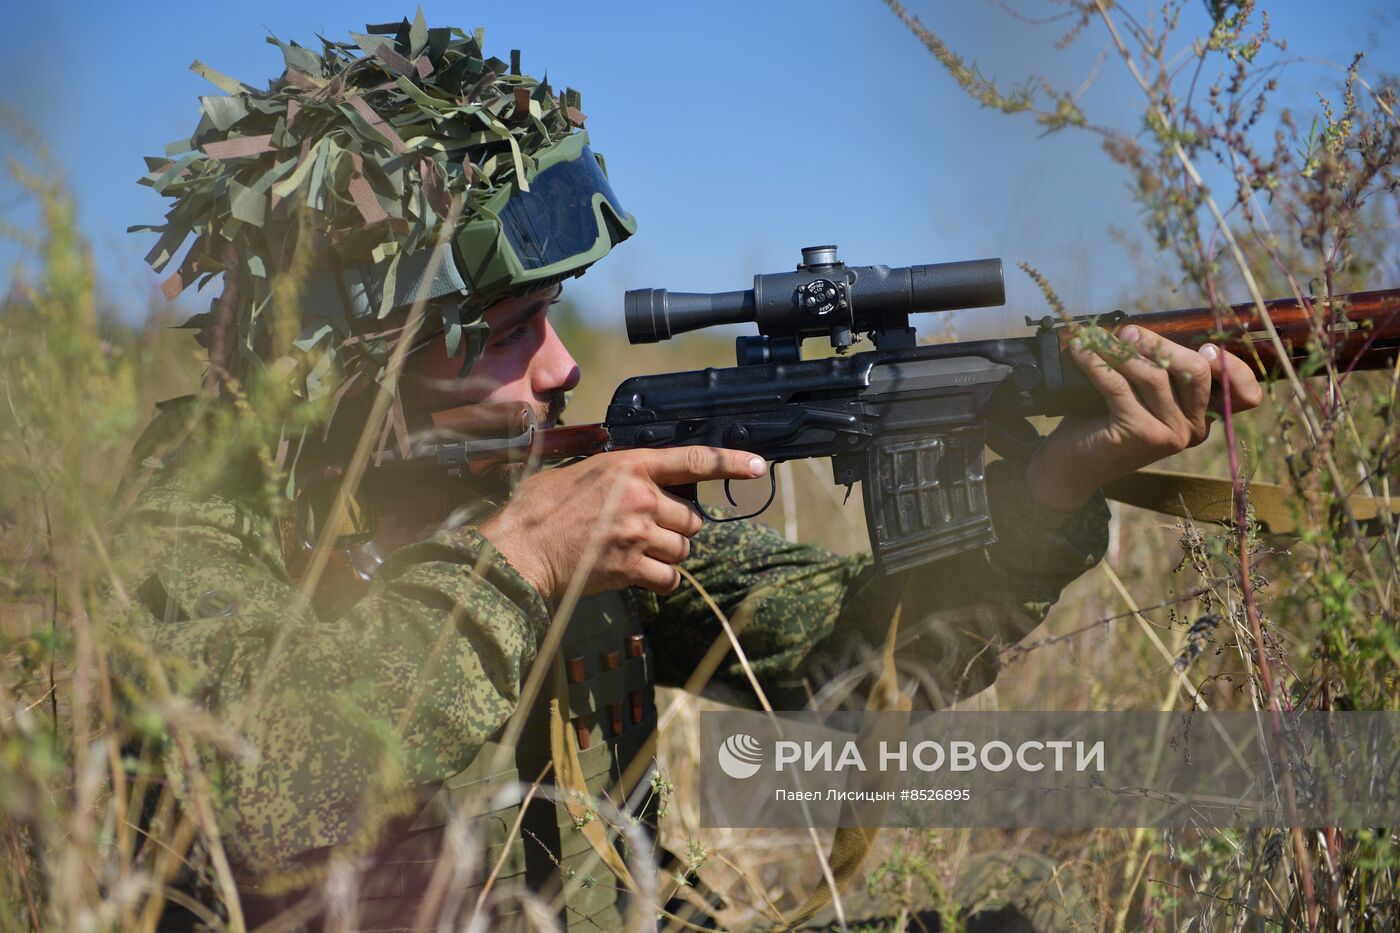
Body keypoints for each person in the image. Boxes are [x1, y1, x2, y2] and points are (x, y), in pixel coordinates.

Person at [110, 16, 1263, 931]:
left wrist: (1049, 491)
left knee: (1039, 913)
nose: (561, 363)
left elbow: (861, 671)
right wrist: (516, 563)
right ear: (366, 352)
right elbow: (260, 811)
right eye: (510, 328)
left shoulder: (521, 483)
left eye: (551, 315)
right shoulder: (197, 527)